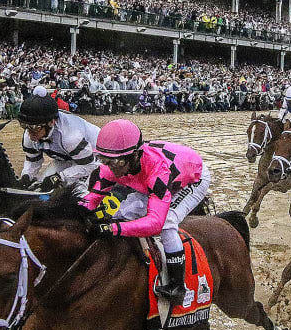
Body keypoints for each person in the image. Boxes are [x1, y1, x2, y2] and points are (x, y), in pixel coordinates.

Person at [84, 119, 210, 301]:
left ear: (134, 156)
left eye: (116, 162)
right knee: (121, 215)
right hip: (151, 179)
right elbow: (92, 199)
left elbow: (155, 223)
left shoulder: (157, 170)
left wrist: (112, 229)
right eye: (104, 161)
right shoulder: (115, 164)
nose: (110, 168)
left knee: (168, 222)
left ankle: (177, 286)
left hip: (193, 179)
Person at [17, 95, 100, 192]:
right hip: (68, 157)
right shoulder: (29, 134)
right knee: (41, 188)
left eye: (35, 127)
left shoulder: (71, 136)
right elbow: (33, 159)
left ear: (51, 122)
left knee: (80, 194)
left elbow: (89, 166)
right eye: (24, 126)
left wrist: (59, 177)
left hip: (96, 158)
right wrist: (26, 175)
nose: (30, 133)